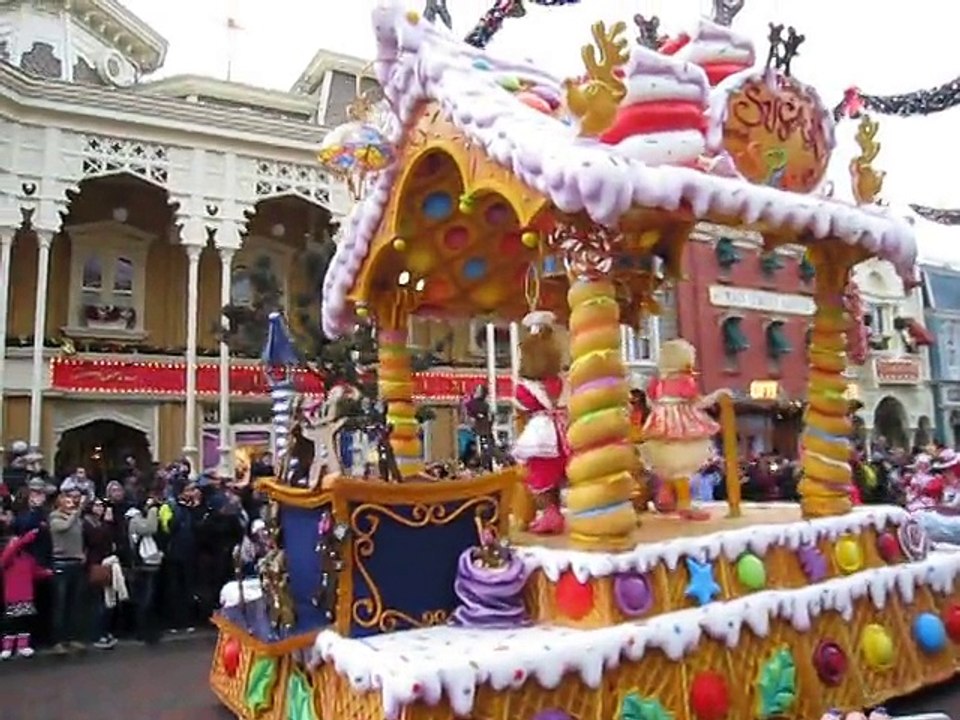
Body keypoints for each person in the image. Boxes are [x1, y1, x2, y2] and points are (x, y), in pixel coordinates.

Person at [0, 527, 52, 659]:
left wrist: (47, 573)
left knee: (24, 621)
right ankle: (7, 647)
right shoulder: (8, 558)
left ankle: (22, 646)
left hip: (26, 594)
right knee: (11, 622)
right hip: (12, 596)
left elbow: (35, 572)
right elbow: (7, 556)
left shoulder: (28, 558)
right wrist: (22, 540)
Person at [49, 490, 87, 654]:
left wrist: (82, 552)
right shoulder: (55, 517)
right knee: (61, 604)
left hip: (76, 563)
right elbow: (63, 528)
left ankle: (72, 638)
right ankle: (58, 640)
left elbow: (79, 536)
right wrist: (75, 514)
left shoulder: (76, 519)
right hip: (61, 564)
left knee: (74, 604)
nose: (70, 502)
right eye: (67, 500)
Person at [82, 499, 118, 649]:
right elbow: (95, 540)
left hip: (106, 561)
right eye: (97, 505)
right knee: (98, 601)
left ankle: (105, 631)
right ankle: (97, 634)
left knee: (107, 599)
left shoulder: (101, 523)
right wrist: (107, 524)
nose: (101, 508)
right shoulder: (87, 524)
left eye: (102, 506)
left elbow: (111, 541)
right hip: (94, 563)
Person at [127, 498, 163, 644]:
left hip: (147, 564)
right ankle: (143, 631)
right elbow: (150, 528)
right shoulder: (134, 520)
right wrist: (153, 510)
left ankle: (148, 629)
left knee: (148, 598)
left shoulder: (137, 518)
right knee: (145, 599)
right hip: (142, 564)